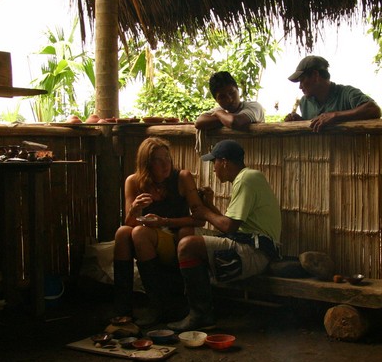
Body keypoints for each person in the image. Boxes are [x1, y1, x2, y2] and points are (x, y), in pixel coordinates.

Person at [168, 139, 281, 331]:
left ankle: (201, 315)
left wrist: (203, 212)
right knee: (187, 233)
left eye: (214, 163)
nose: (213, 169)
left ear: (225, 162)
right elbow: (230, 225)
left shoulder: (246, 179)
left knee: (187, 245)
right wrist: (209, 205)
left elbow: (228, 227)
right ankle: (187, 307)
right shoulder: (248, 177)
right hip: (248, 245)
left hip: (255, 253)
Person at [111, 137, 205, 326]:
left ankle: (159, 306)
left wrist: (165, 221)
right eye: (159, 160)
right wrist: (135, 209)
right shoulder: (134, 181)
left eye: (167, 159)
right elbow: (129, 222)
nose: (166, 164)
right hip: (147, 241)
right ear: (146, 163)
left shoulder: (181, 178)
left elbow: (199, 219)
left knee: (139, 233)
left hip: (174, 239)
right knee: (122, 233)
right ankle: (123, 310)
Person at [283, 55, 382, 132]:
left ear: (315, 75)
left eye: (302, 80)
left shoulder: (346, 93)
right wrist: (301, 122)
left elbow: (373, 109)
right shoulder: (305, 102)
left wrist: (335, 116)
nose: (300, 86)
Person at [195, 71, 265, 131]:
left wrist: (219, 114)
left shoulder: (254, 107)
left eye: (232, 93)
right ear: (216, 100)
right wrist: (224, 119)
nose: (229, 99)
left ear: (238, 89)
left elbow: (236, 123)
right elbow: (199, 122)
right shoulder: (220, 110)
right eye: (222, 97)